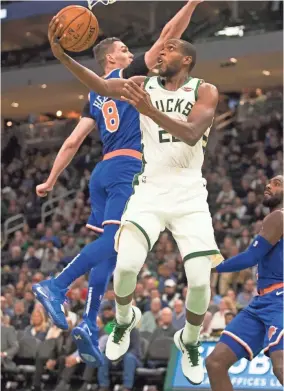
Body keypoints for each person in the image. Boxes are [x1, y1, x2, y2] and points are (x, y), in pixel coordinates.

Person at [48, 18, 224, 384]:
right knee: (125, 265)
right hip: (148, 187)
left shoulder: (205, 90)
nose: (161, 52)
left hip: (190, 193)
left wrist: (149, 109)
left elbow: (192, 133)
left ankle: (189, 339)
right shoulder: (140, 84)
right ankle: (123, 319)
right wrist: (62, 56)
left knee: (200, 282)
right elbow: (97, 84)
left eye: (170, 49)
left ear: (187, 60)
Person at [206, 176, 283, 390]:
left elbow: (250, 257)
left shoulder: (279, 217)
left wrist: (214, 266)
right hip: (262, 302)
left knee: (281, 366)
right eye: (269, 182)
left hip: (280, 300)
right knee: (215, 363)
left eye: (277, 183)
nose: (268, 185)